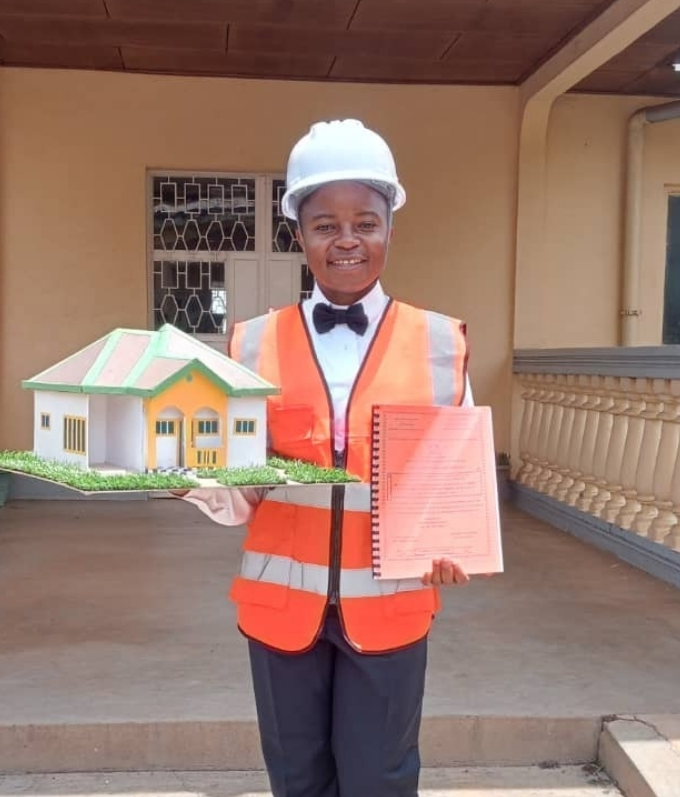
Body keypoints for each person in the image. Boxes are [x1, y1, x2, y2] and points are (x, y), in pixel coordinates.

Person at [180, 118, 476, 797]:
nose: (347, 240)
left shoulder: (439, 345)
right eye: (326, 224)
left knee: (381, 780)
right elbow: (239, 490)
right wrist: (180, 481)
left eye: (365, 222)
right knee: (297, 780)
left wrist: (454, 545)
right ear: (299, 234)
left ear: (390, 228)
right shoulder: (251, 346)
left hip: (391, 605)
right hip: (281, 611)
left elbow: (454, 483)